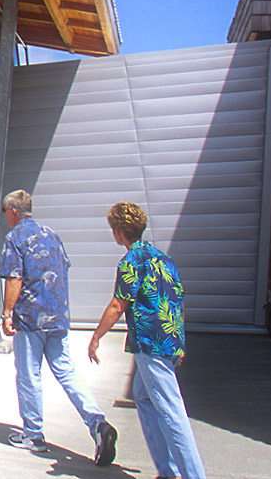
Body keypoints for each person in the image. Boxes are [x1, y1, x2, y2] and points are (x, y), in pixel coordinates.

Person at [88, 202, 207, 479]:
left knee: (171, 411)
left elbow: (119, 305)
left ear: (119, 232)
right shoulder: (165, 259)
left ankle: (191, 475)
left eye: (113, 229)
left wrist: (96, 337)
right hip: (168, 341)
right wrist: (180, 342)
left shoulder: (131, 261)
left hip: (150, 345)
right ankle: (167, 471)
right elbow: (178, 302)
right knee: (143, 397)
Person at [0, 190, 117, 465]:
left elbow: (14, 279)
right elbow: (63, 270)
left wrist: (7, 313)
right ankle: (98, 424)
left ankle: (33, 435)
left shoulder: (14, 238)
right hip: (58, 316)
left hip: (30, 319)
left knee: (29, 375)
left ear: (13, 212)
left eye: (5, 212)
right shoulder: (51, 234)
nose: (5, 217)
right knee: (66, 370)